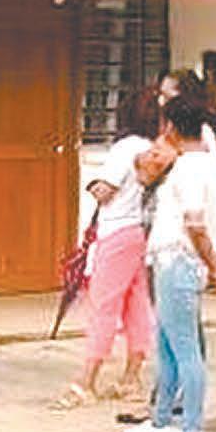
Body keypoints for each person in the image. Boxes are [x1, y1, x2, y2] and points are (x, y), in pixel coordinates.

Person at [123, 94, 216, 432]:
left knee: (184, 348)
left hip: (179, 260)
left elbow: (195, 224)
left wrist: (215, 266)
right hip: (171, 260)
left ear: (170, 126)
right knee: (168, 346)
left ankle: (190, 430)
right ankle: (161, 420)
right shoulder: (200, 162)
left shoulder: (190, 168)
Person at [57, 88, 162, 409]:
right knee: (137, 304)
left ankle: (87, 380)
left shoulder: (125, 148)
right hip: (140, 232)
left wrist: (92, 183)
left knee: (104, 306)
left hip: (116, 230)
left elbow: (105, 191)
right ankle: (132, 377)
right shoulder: (154, 150)